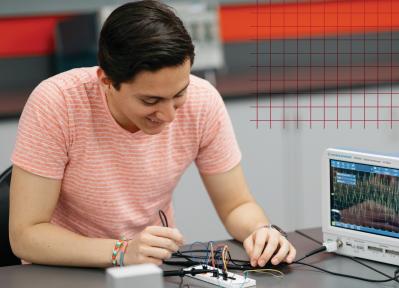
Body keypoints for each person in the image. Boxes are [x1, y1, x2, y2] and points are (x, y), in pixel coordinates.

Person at [9, 0, 296, 268]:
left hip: (150, 267)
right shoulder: (58, 103)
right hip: (64, 270)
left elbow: (237, 205)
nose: (170, 116)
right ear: (106, 81)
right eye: (150, 101)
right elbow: (26, 235)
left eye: (179, 93)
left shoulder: (203, 101)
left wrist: (261, 231)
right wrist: (121, 252)